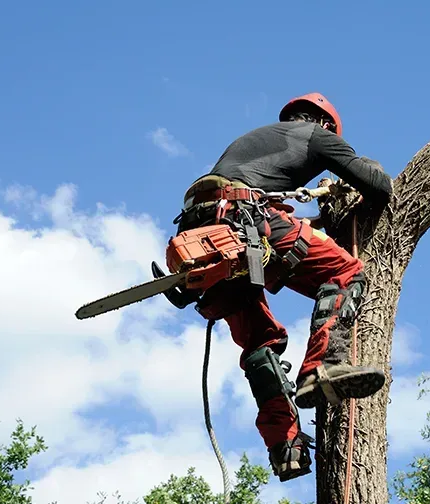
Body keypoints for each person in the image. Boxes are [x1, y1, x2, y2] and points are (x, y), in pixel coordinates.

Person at [173, 92, 394, 482]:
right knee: (345, 272)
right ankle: (323, 367)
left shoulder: (255, 142)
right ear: (325, 123)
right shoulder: (316, 134)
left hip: (204, 232)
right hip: (246, 220)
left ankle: (284, 447)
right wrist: (364, 173)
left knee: (261, 343)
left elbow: (274, 207)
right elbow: (378, 186)